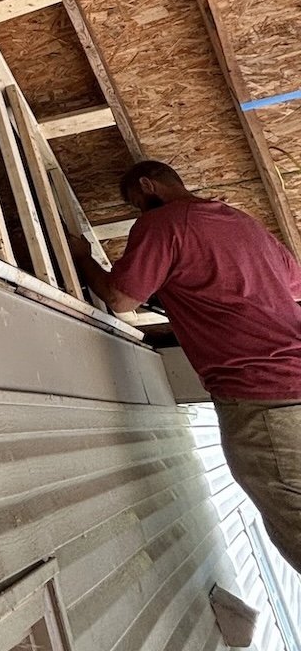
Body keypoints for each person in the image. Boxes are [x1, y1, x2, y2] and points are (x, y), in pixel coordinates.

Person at [70, 160, 301, 572]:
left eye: (136, 203)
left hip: (264, 396)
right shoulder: (244, 223)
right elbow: (294, 283)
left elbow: (121, 299)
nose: (140, 212)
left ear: (148, 186)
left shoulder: (162, 223)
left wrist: (83, 258)